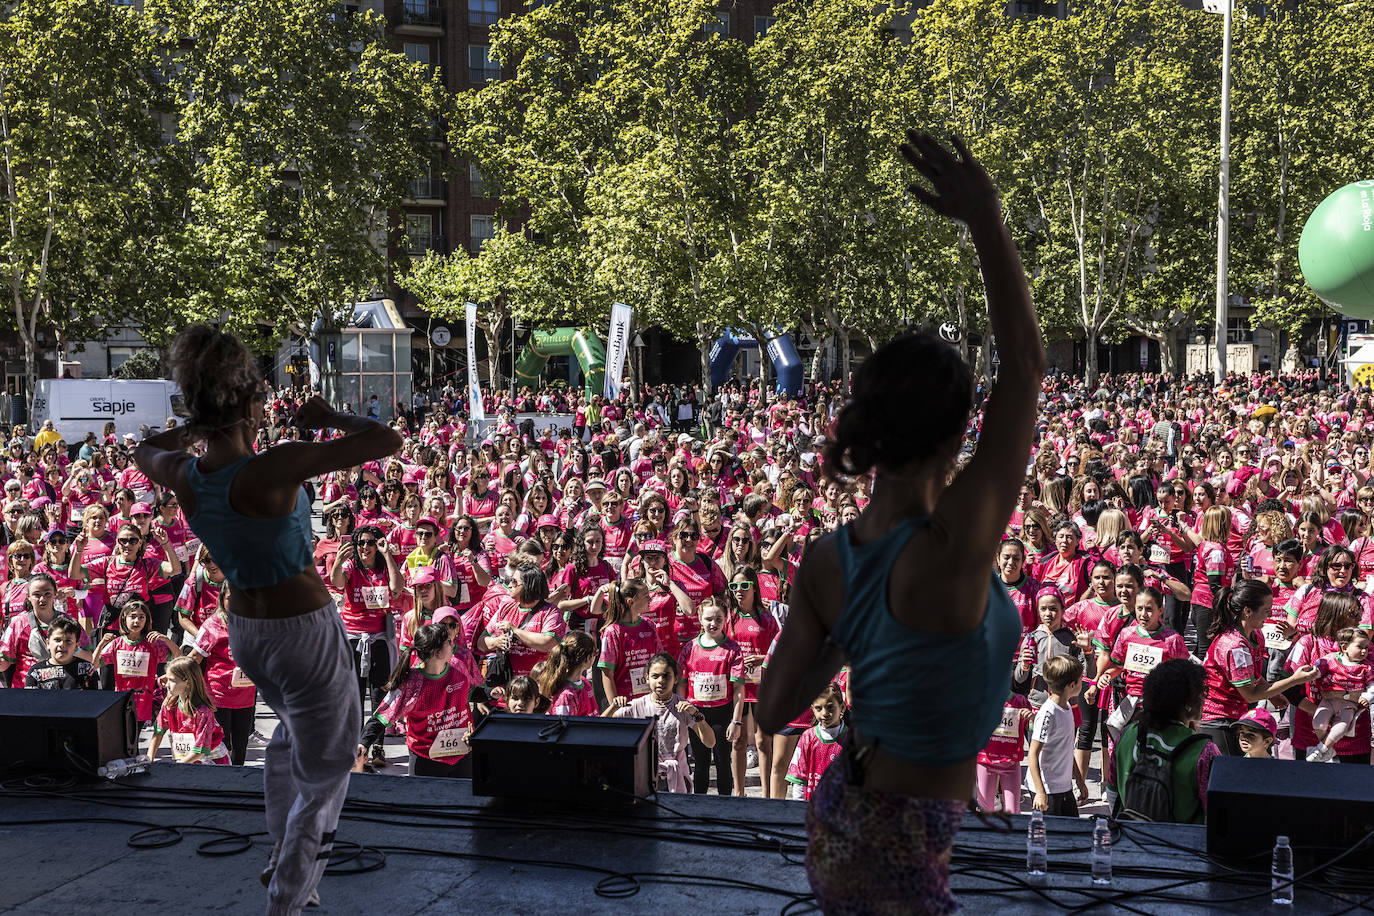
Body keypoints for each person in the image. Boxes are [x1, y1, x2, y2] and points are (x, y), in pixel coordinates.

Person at [757, 133, 1042, 914]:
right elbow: (1024, 366)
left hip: (850, 818)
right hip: (901, 843)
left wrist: (853, 632)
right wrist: (985, 220)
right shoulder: (950, 551)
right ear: (958, 437)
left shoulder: (825, 559)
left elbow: (774, 707)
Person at [134, 324, 401, 916]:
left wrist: (201, 422)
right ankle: (288, 897)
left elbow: (145, 447)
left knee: (285, 741)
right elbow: (385, 439)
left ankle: (283, 853)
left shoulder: (186, 474)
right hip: (302, 629)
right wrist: (331, 413)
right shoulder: (272, 468)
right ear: (250, 401)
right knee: (329, 766)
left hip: (248, 633)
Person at [1106, 658, 1219, 825]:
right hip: (1181, 845)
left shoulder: (1127, 735)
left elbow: (1112, 793)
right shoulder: (1204, 750)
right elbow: (1215, 811)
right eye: (1203, 692)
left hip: (1131, 837)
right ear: (1188, 704)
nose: (1205, 698)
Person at [364, 620, 482, 777]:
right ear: (437, 652)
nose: (452, 642)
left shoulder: (458, 667)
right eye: (448, 641)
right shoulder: (411, 682)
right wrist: (363, 743)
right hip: (426, 757)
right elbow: (382, 717)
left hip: (461, 753)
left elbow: (471, 691)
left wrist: (491, 693)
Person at [613, 652, 713, 793]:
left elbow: (710, 742)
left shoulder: (684, 707)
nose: (661, 680)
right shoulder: (636, 706)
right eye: (655, 676)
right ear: (647, 678)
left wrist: (696, 714)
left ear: (676, 679)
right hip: (645, 775)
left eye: (666, 676)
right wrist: (613, 707)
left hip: (677, 775)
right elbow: (600, 727)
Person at [1026, 654, 1084, 818]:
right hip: (1046, 789)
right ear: (1072, 685)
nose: (1083, 682)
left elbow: (1067, 749)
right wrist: (1040, 792)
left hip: (1064, 787)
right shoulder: (1048, 713)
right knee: (1049, 838)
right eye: (1081, 680)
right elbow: (1032, 754)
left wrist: (1079, 781)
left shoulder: (1067, 707)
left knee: (1071, 833)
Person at [1306, 627, 1374, 762]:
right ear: (1344, 647)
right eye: (1360, 647)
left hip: (1349, 705)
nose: (1364, 651)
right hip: (1328, 701)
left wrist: (1367, 697)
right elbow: (1318, 668)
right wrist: (1313, 673)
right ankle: (1328, 750)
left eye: (1366, 647)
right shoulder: (1331, 659)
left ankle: (1320, 750)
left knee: (1341, 728)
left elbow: (1372, 684)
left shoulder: (1367, 667)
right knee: (1318, 723)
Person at [148, 655, 229, 764]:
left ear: (187, 681)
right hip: (186, 759)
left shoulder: (203, 711)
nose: (166, 684)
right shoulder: (169, 704)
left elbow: (200, 750)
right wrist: (149, 759)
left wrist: (179, 767)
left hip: (211, 762)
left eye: (171, 680)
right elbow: (158, 732)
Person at [784, 684, 848, 802]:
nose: (824, 713)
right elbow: (799, 779)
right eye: (819, 708)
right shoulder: (807, 738)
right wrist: (798, 809)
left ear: (842, 707)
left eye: (830, 707)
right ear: (812, 709)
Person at [23, 614, 99, 689]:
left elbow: (99, 698)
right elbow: (30, 700)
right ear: (48, 643)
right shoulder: (35, 672)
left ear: (76, 646)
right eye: (57, 640)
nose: (62, 645)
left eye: (68, 641)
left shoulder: (88, 670)